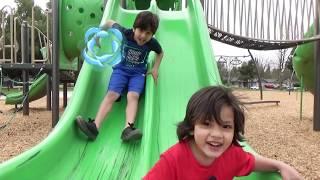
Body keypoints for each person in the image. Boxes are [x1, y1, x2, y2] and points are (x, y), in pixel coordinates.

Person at [144, 86, 302, 180]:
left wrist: (280, 165)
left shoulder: (231, 154)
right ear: (192, 126)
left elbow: (252, 162)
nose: (217, 134)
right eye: (206, 124)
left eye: (226, 127)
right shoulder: (173, 161)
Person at [76, 11, 164, 142]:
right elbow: (109, 22)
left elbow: (160, 53)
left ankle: (127, 129)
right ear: (134, 28)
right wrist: (97, 37)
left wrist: (155, 69)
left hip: (138, 74)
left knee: (132, 96)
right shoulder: (125, 33)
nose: (143, 36)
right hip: (121, 70)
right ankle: (94, 127)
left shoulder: (152, 43)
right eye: (141, 31)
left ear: (152, 34)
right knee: (112, 94)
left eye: (148, 33)